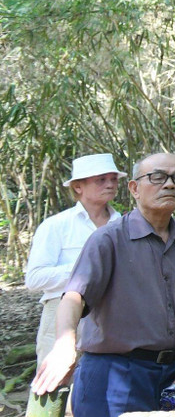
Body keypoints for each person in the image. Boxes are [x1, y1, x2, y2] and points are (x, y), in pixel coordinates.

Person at [31, 152, 175, 417]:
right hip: (114, 373)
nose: (168, 184)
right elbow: (73, 296)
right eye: (157, 177)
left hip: (170, 373)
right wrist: (64, 346)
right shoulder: (109, 238)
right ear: (134, 188)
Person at [26, 154, 124, 362]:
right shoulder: (56, 225)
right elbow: (34, 279)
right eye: (101, 180)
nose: (110, 184)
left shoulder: (123, 225)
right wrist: (87, 270)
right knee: (58, 385)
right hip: (62, 315)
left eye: (113, 179)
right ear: (78, 187)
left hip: (114, 316)